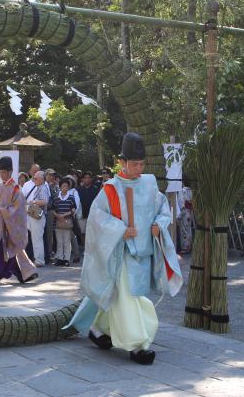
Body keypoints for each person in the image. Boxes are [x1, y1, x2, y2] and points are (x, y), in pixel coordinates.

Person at [66, 132, 183, 365]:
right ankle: (138, 345)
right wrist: (120, 229)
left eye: (141, 164)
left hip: (144, 252)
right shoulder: (111, 188)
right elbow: (96, 219)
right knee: (130, 297)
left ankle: (100, 330)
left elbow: (163, 209)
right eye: (134, 164)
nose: (139, 169)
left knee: (124, 295)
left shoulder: (149, 184)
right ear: (122, 162)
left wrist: (159, 226)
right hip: (120, 253)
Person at [0, 156, 38, 284]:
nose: (3, 175)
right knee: (0, 250)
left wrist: (2, 211)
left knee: (11, 250)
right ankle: (25, 273)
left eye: (5, 172)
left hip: (10, 226)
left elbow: (17, 209)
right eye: (1, 172)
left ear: (10, 172)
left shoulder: (16, 189)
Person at [25, 171, 50, 266]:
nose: (33, 179)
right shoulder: (39, 187)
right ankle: (38, 259)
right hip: (34, 215)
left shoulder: (43, 188)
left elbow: (45, 201)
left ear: (41, 179)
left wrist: (33, 201)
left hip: (38, 216)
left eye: (35, 178)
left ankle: (39, 261)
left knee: (37, 239)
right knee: (35, 238)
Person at [53, 179, 77, 266]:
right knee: (59, 241)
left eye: (67, 186)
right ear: (60, 187)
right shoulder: (56, 197)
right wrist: (58, 216)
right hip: (57, 221)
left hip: (67, 221)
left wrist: (64, 215)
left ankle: (66, 258)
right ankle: (59, 258)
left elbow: (73, 209)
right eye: (63, 186)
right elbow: (53, 209)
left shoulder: (71, 197)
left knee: (67, 241)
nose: (65, 188)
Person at [77, 171, 99, 247]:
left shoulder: (95, 189)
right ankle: (85, 247)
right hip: (82, 214)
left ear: (91, 179)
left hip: (92, 214)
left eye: (89, 178)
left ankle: (92, 248)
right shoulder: (78, 189)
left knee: (92, 232)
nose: (87, 179)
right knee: (83, 232)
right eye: (85, 178)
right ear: (82, 179)